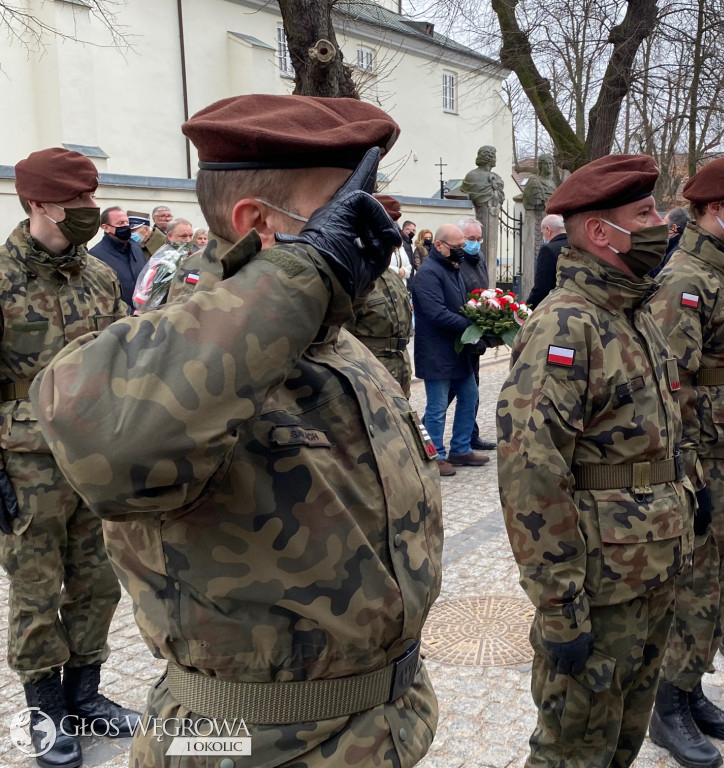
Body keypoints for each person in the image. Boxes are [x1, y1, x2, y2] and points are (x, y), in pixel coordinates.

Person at [32, 94, 444, 767]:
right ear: (259, 222)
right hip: (244, 744)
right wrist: (303, 275)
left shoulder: (338, 344)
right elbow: (104, 433)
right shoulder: (185, 361)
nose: (372, 225)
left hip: (378, 732)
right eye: (346, 205)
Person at [497, 153, 695, 768]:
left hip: (651, 565)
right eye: (646, 213)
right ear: (599, 232)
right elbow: (533, 475)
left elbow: (658, 429)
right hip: (600, 586)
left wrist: (688, 490)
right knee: (573, 751)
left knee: (621, 741)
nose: (663, 222)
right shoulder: (565, 327)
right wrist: (559, 607)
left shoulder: (632, 315)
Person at [2, 148, 139, 768]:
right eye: (75, 202)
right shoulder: (1, 277)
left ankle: (85, 694)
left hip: (95, 459)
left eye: (91, 199)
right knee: (36, 590)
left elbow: (120, 363)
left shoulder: (100, 277)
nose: (88, 211)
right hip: (26, 465)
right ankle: (45, 712)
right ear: (36, 203)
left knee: (98, 581)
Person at [646, 156, 724, 768]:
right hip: (704, 460)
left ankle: (691, 688)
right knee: (694, 585)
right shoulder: (685, 280)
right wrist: (688, 472)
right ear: (713, 210)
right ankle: (666, 707)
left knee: (721, 580)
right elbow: (672, 388)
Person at [410, 221, 490, 476]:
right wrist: (470, 326)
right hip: (436, 351)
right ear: (439, 245)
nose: (461, 250)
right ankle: (436, 456)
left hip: (458, 349)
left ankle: (461, 448)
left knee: (470, 396)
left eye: (462, 246)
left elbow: (462, 304)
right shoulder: (428, 273)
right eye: (456, 246)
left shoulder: (452, 266)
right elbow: (437, 314)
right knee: (436, 407)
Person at [344, 195, 414, 397]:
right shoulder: (354, 278)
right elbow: (340, 339)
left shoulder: (391, 276)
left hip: (399, 371)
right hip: (369, 375)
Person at [455, 216, 497, 452]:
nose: (476, 243)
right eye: (471, 239)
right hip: (462, 331)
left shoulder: (478, 258)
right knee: (454, 390)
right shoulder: (457, 260)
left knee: (473, 386)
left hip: (477, 332)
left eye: (478, 239)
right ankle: (426, 435)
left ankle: (471, 434)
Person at [90, 205, 148, 308]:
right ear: (106, 228)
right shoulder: (95, 256)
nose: (126, 226)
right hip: (118, 318)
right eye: (120, 223)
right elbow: (100, 295)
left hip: (143, 314)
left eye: (127, 222)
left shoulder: (136, 249)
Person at [525, 213, 567, 309]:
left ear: (548, 230)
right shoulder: (576, 245)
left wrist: (527, 308)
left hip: (554, 307)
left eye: (542, 232)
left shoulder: (548, 250)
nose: (543, 235)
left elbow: (542, 288)